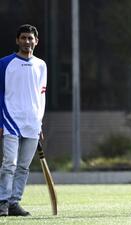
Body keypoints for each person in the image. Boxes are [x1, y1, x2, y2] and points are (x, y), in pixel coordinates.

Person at [0, 24, 47, 216]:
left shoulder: (41, 65)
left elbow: (41, 96)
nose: (27, 41)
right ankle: (2, 202)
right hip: (10, 120)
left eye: (30, 38)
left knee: (23, 166)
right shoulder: (4, 63)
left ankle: (14, 203)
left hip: (32, 123)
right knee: (9, 163)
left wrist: (39, 123)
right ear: (17, 40)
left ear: (36, 41)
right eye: (24, 38)